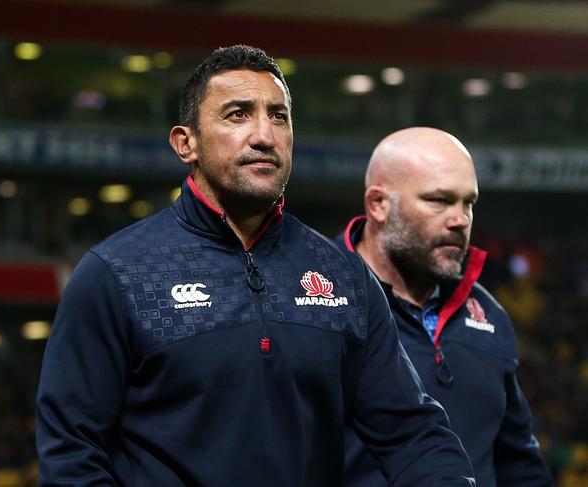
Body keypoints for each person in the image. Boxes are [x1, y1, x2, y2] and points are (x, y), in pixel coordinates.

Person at [36, 46, 475, 486]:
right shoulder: (117, 273)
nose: (264, 135)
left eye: (278, 116)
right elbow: (72, 452)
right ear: (185, 143)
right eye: (238, 114)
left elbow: (411, 432)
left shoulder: (344, 276)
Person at [338, 127, 553, 487]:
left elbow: (518, 464)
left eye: (468, 202)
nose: (461, 219)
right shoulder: (314, 300)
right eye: (439, 200)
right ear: (378, 205)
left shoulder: (488, 315)